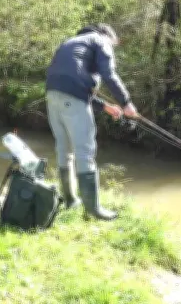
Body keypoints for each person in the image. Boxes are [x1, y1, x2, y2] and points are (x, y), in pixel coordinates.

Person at [45, 23, 139, 221]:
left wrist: (104, 106)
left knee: (64, 149)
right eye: (114, 45)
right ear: (108, 35)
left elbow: (72, 82)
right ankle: (93, 209)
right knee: (85, 152)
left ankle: (70, 200)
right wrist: (127, 103)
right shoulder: (101, 40)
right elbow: (109, 74)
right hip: (72, 99)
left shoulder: (72, 42)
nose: (112, 48)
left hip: (51, 96)